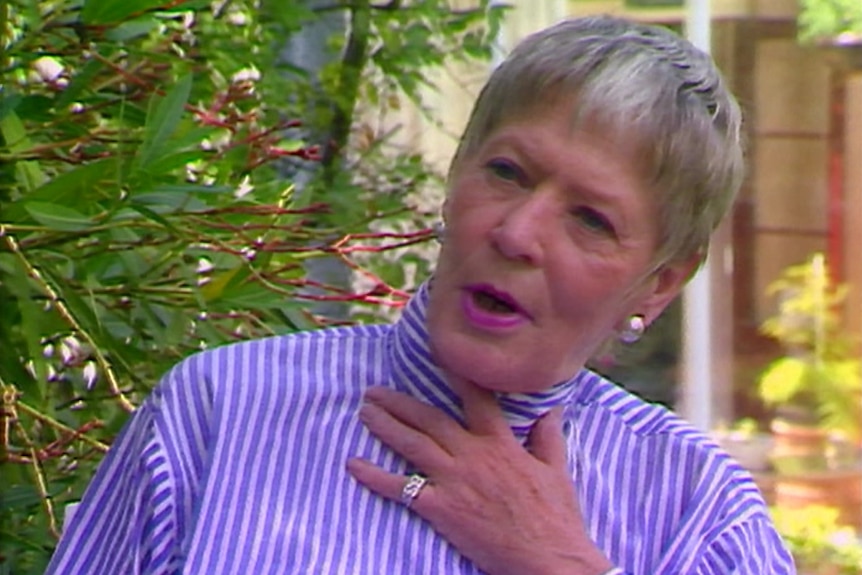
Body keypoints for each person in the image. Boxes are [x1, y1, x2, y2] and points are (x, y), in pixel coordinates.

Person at [46, 15, 795, 575]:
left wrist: (558, 562)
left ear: (661, 281)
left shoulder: (699, 510)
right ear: (457, 171)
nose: (518, 232)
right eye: (507, 173)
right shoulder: (220, 409)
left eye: (590, 218)